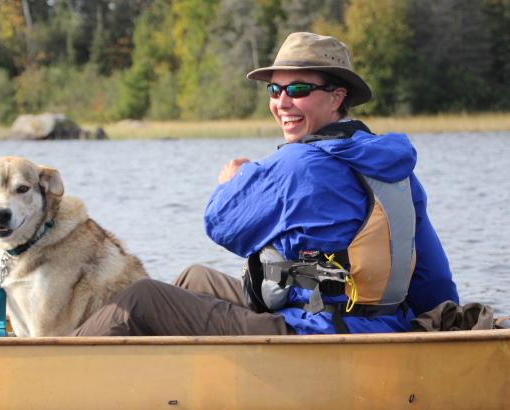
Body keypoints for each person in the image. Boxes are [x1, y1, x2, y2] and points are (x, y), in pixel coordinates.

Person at [72, 32, 459, 336]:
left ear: (337, 97)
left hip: (317, 333)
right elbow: (433, 278)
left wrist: (233, 181)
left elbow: (221, 223)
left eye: (299, 89)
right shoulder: (395, 170)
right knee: (195, 277)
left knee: (143, 299)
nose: (282, 102)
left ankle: (54, 372)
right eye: (275, 90)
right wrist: (438, 329)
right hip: (380, 325)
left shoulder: (300, 161)